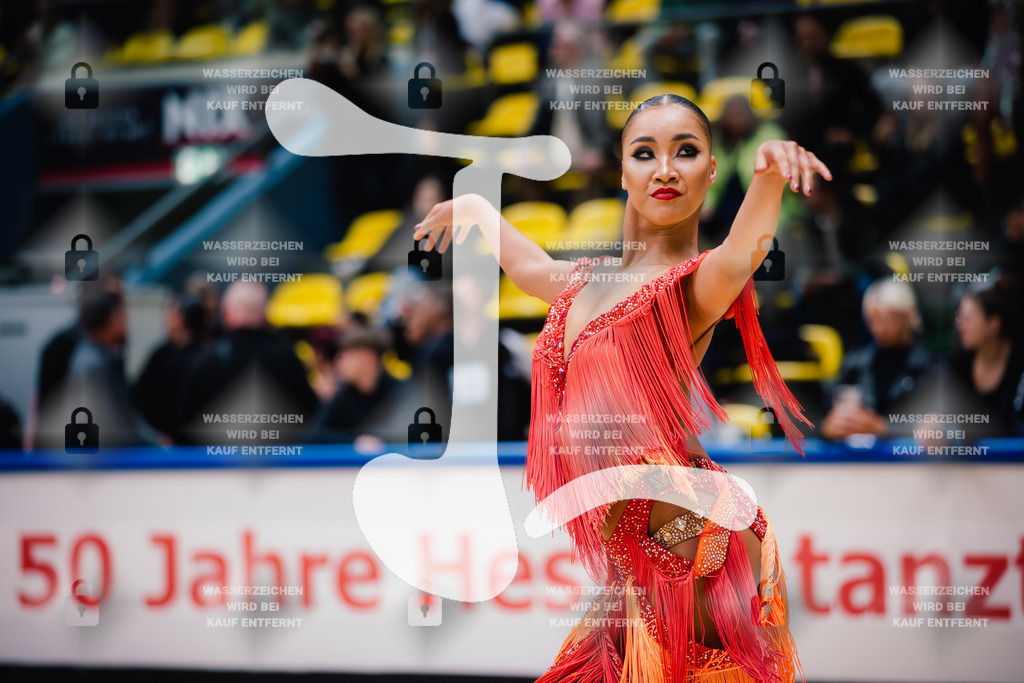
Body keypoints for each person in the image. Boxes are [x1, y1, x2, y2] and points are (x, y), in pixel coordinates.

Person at [414, 94, 830, 681]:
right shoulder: (586, 279)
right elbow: (531, 269)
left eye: (686, 152)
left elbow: (743, 254)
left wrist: (765, 177)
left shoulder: (695, 284)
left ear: (711, 171)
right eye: (645, 153)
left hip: (693, 542)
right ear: (622, 171)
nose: (665, 168)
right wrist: (480, 209)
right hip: (629, 559)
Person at [820, 278, 933, 441]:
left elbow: (941, 430)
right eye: (872, 320)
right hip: (857, 461)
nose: (878, 328)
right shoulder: (854, 364)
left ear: (908, 315)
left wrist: (884, 428)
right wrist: (828, 428)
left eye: (886, 319)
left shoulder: (931, 368)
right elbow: (822, 416)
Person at [948, 277, 1024, 438]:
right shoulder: (959, 364)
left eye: (967, 318)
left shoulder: (1019, 363)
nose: (960, 324)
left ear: (993, 323)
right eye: (958, 316)